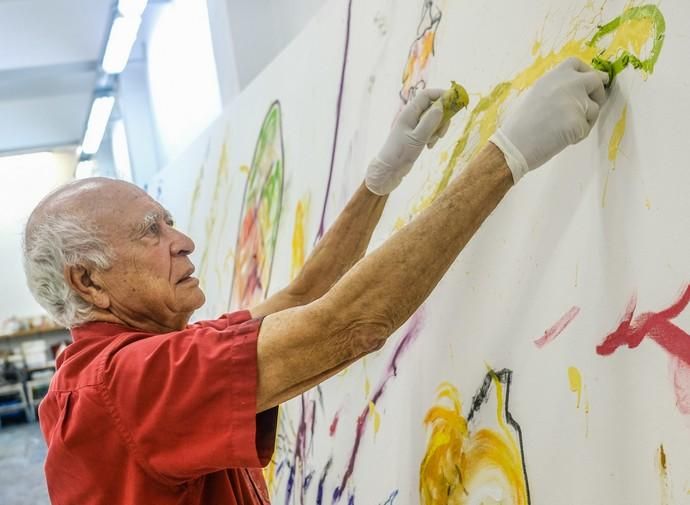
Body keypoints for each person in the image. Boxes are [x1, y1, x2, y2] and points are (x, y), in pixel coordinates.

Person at [23, 57, 607, 504]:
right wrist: (506, 157)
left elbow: (304, 299)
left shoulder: (134, 363)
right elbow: (345, 323)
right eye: (151, 231)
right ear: (89, 284)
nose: (183, 240)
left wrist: (382, 178)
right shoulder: (129, 384)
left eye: (170, 221)